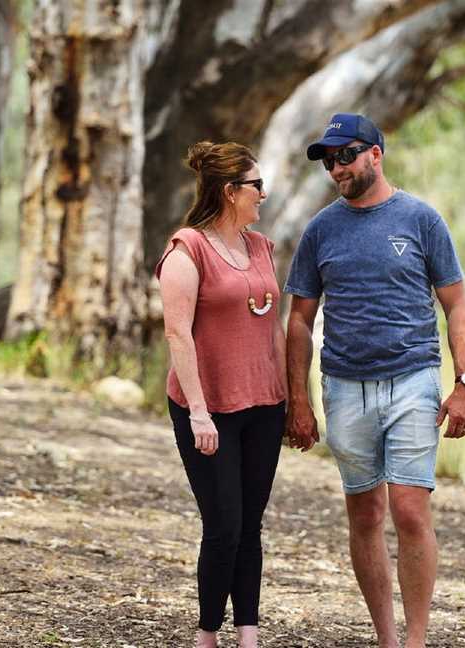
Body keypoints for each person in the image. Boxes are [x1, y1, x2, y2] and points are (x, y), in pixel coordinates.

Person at [284, 114, 465, 648]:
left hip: (413, 379)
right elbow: (299, 320)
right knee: (365, 511)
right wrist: (298, 400)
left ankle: (415, 641)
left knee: (409, 509)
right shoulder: (321, 229)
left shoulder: (420, 219)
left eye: (345, 155)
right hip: (344, 387)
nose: (336, 168)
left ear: (375, 153)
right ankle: (387, 639)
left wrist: (464, 384)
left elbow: (457, 305)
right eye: (328, 161)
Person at [156, 141, 287, 648]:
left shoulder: (261, 247)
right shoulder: (186, 249)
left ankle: (248, 635)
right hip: (208, 410)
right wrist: (200, 414)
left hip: (263, 405)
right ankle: (207, 634)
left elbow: (272, 326)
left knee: (251, 525)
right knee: (223, 526)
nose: (264, 193)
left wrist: (290, 397)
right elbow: (177, 335)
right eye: (256, 186)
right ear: (230, 192)